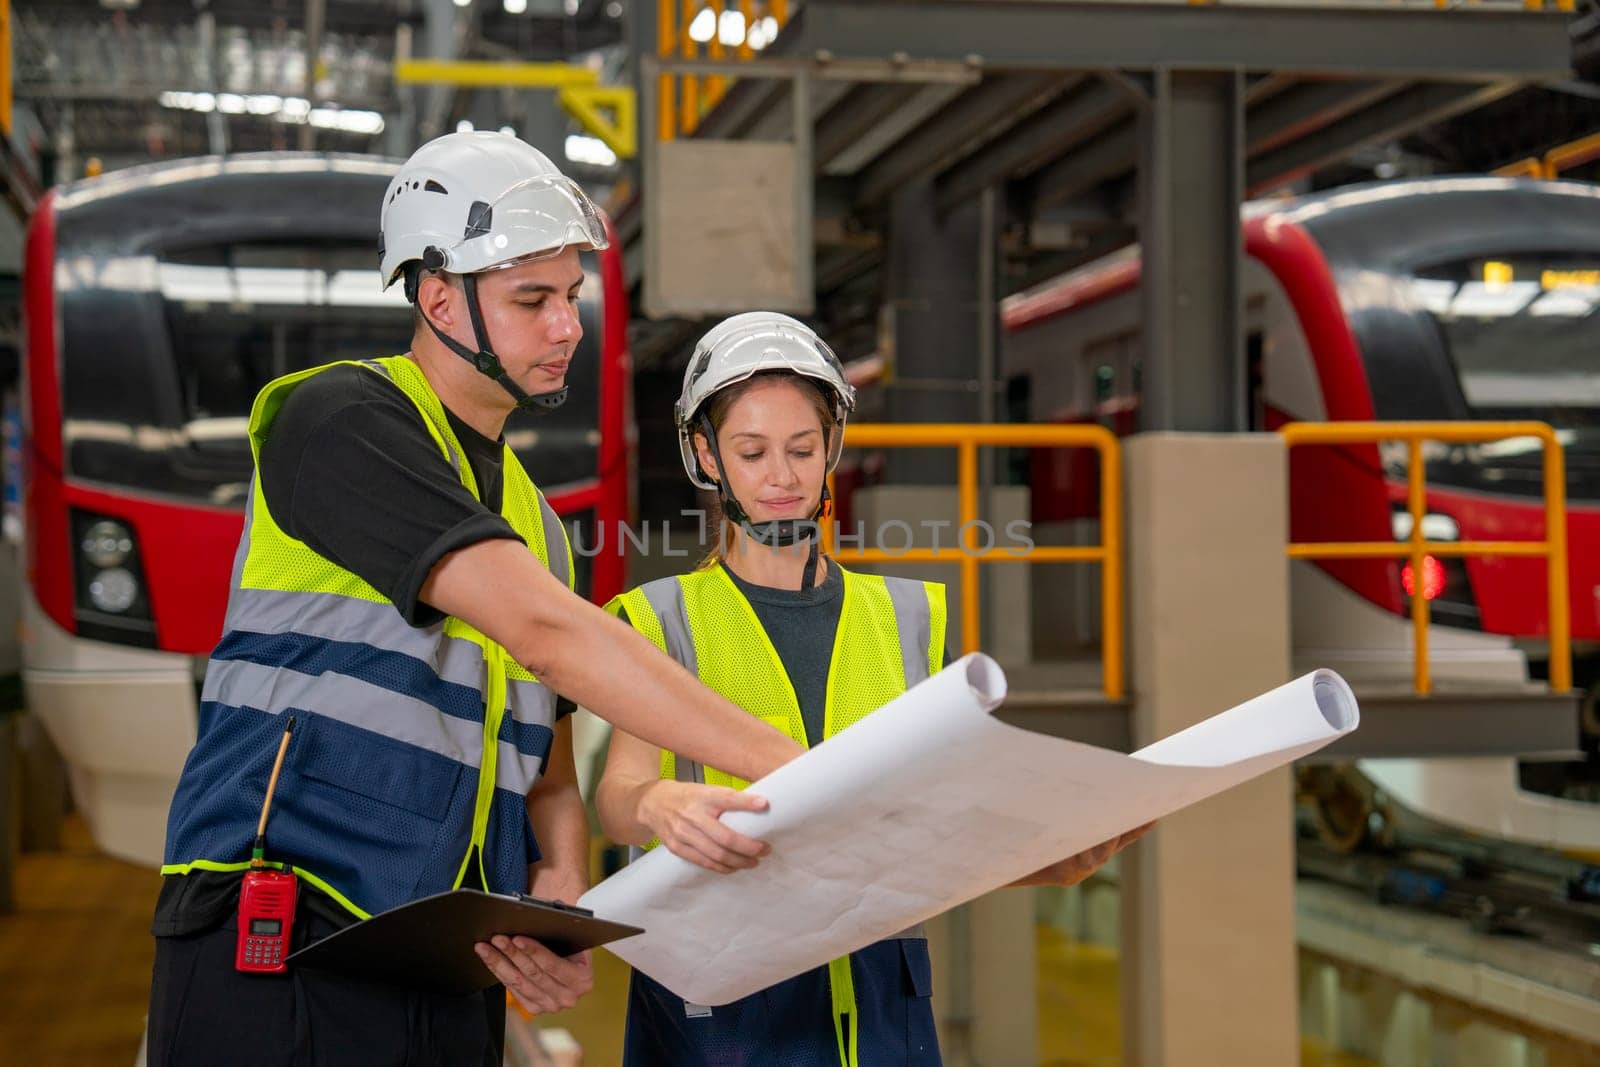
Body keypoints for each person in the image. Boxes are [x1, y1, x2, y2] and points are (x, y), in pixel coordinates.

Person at [146, 133, 804, 1067]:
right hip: (285, 940)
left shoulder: (534, 520)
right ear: (439, 297)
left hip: (451, 958)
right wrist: (799, 766)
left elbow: (548, 764)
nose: (566, 326)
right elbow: (548, 637)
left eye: (570, 296)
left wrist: (561, 886)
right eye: (531, 299)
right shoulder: (338, 421)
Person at [596, 311, 1150, 1066]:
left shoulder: (910, 617)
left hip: (882, 994)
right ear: (706, 456)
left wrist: (1042, 855)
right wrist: (653, 803)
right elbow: (617, 796)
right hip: (718, 997)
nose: (782, 477)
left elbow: (947, 817)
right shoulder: (660, 619)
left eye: (801, 448)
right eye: (752, 452)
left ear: (832, 448)